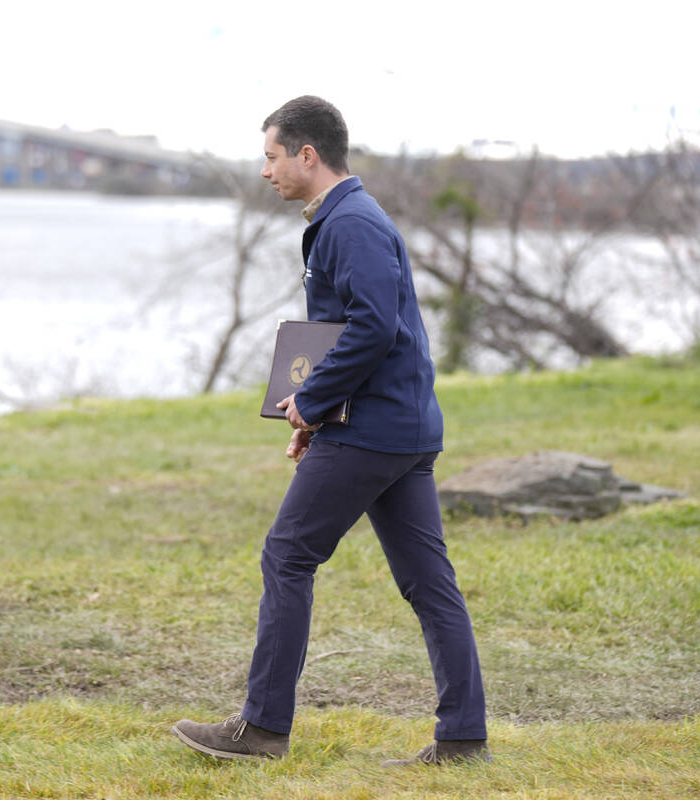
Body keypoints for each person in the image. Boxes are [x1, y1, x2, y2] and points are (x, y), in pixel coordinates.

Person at [171, 96, 490, 765]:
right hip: (396, 428)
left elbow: (376, 329)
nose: (265, 171)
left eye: (272, 155)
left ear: (307, 155)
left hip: (376, 433)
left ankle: (260, 729)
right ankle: (462, 740)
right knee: (428, 583)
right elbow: (349, 331)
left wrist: (312, 402)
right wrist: (311, 413)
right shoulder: (344, 219)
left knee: (288, 555)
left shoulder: (352, 225)